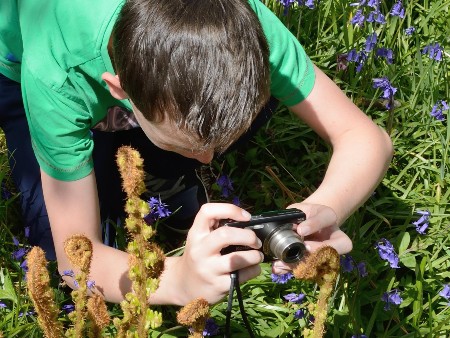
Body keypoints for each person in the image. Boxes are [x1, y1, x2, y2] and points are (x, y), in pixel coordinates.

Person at [0, 0, 393, 305]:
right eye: (187, 146)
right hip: (18, 64)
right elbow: (77, 260)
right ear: (119, 91)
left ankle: (160, 161)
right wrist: (177, 280)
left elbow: (367, 137)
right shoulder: (57, 79)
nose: (208, 160)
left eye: (214, 148)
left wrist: (326, 206)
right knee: (49, 243)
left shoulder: (241, 25)